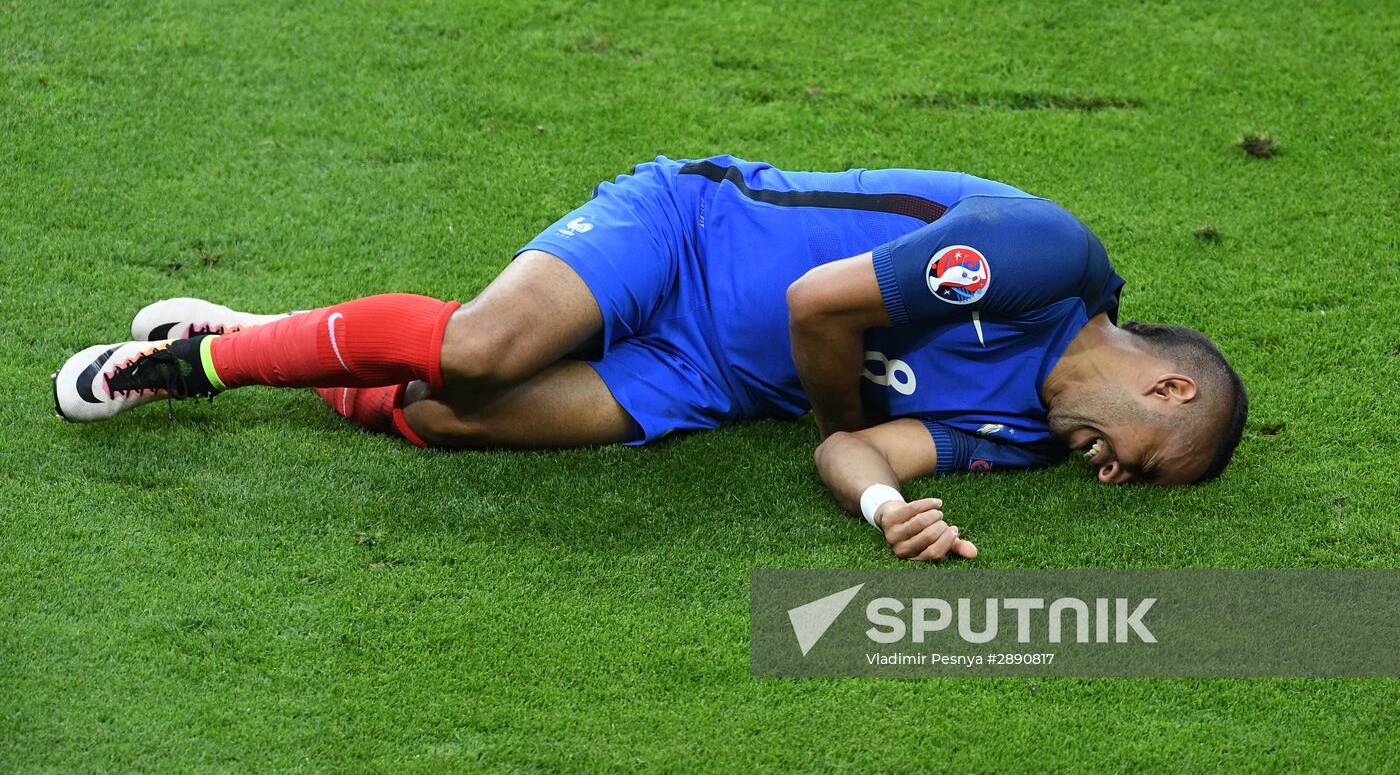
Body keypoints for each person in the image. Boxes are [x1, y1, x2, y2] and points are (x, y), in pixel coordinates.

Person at [53, 156, 1248, 562]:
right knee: (474, 352)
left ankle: (246, 329)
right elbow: (821, 307)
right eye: (1146, 463)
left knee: (446, 417)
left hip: (701, 379)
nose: (1109, 477)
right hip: (687, 234)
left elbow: (863, 448)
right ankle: (191, 370)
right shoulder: (1046, 255)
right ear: (1167, 386)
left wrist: (887, 501)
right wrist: (828, 427)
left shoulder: (1034, 436)